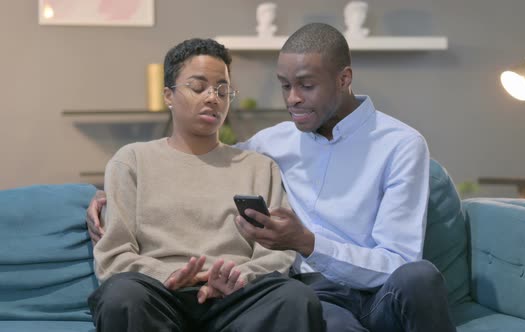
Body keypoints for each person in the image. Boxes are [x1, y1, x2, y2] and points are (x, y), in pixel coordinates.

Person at [88, 24, 455, 332]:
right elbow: (200, 160)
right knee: (309, 306)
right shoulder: (270, 144)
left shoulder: (400, 145)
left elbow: (398, 262)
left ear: (344, 79)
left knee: (417, 277)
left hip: (374, 290)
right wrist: (106, 196)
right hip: (318, 296)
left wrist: (306, 244)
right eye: (284, 85)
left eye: (306, 85)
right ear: (169, 94)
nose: (293, 99)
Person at [88, 37, 324, 332]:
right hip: (158, 294)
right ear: (168, 95)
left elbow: (277, 253)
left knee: (296, 298)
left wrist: (238, 277)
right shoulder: (132, 161)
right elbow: (114, 256)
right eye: (198, 87)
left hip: (236, 297)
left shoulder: (259, 167)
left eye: (223, 90)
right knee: (121, 296)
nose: (213, 98)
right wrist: (171, 275)